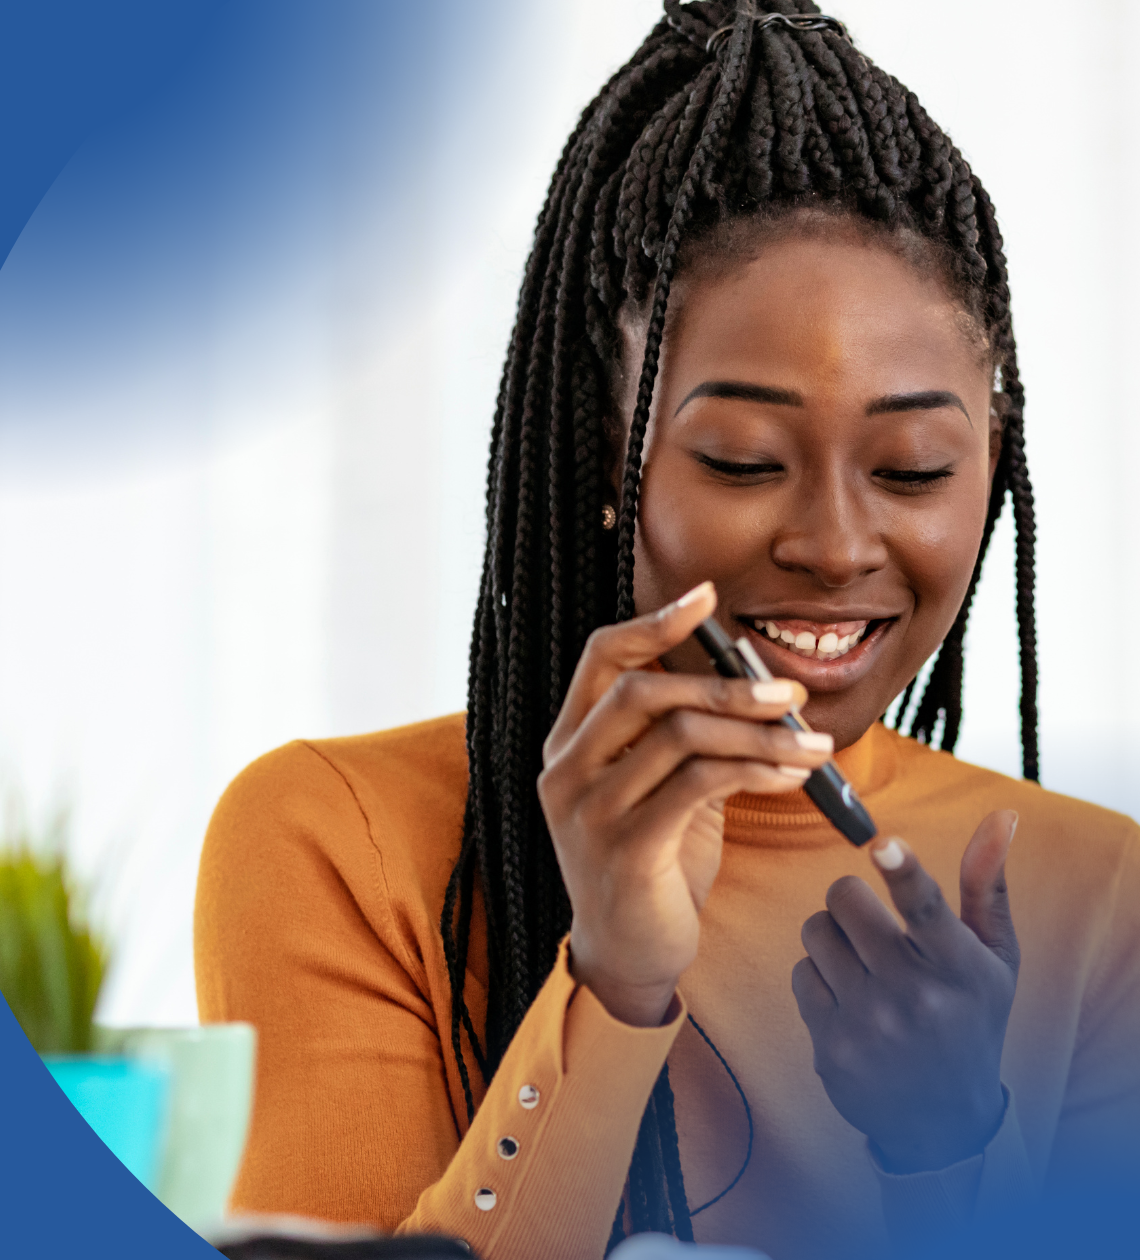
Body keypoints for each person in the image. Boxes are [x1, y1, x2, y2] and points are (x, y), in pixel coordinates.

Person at [192, 4, 1140, 1259]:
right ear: (606, 451)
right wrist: (610, 983)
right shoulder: (335, 843)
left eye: (912, 469)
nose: (836, 545)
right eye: (742, 461)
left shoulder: (1097, 901)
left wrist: (947, 1151)